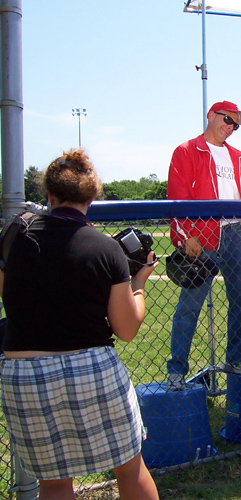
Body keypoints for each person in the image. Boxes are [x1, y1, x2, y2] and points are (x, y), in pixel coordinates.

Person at [0, 149, 159, 500]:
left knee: (54, 483)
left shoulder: (14, 234)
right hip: (90, 367)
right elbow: (127, 329)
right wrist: (138, 284)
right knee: (130, 470)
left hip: (24, 371)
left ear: (50, 196)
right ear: (91, 197)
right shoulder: (105, 248)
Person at [166, 100, 241, 390]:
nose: (229, 126)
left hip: (234, 233)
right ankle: (176, 371)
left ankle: (237, 359)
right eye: (225, 118)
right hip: (202, 235)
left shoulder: (240, 158)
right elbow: (176, 198)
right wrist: (184, 236)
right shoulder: (187, 151)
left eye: (234, 123)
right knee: (190, 306)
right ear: (210, 115)